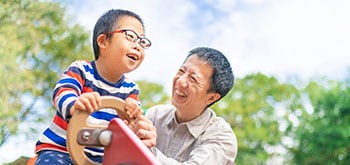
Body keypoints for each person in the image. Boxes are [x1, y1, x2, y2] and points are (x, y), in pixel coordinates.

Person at [34, 9, 153, 164]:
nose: (138, 46)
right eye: (130, 36)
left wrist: (133, 115)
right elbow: (62, 91)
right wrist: (74, 104)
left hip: (101, 160)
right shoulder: (81, 70)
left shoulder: (131, 89)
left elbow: (132, 123)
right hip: (61, 150)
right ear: (103, 41)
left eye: (142, 41)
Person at [146, 47, 238, 164]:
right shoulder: (155, 115)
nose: (180, 81)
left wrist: (147, 150)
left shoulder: (221, 137)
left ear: (211, 98)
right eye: (181, 71)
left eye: (193, 79)